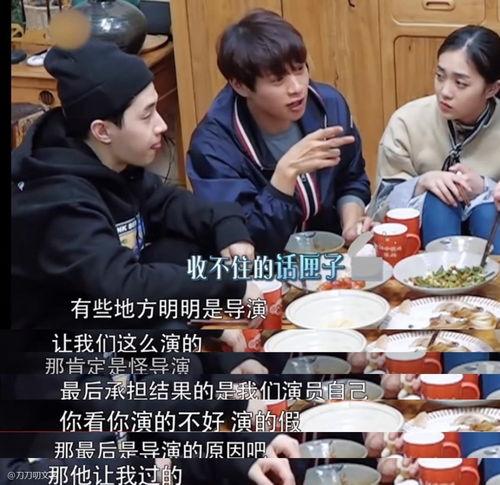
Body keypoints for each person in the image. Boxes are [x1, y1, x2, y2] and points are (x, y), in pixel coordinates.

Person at [11, 39, 265, 331]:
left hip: (101, 315)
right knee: (175, 334)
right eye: (147, 115)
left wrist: (226, 225)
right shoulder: (57, 200)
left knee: (179, 251)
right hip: (55, 345)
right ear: (102, 130)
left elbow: (167, 203)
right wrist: (227, 285)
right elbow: (125, 288)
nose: (161, 125)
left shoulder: (111, 160)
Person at [187, 9, 372, 256]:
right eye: (277, 80)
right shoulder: (213, 146)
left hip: (329, 256)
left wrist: (351, 224)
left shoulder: (329, 105)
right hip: (263, 267)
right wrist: (285, 176)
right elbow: (244, 239)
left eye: (300, 69)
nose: (297, 88)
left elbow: (351, 179)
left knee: (376, 268)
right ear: (240, 85)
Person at [376, 25, 500, 252]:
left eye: (460, 83)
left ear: (492, 89)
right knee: (440, 201)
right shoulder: (407, 121)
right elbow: (379, 208)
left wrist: (485, 187)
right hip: (421, 241)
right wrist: (420, 184)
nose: (445, 91)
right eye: (440, 76)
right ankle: (438, 274)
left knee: (487, 211)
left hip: (490, 230)